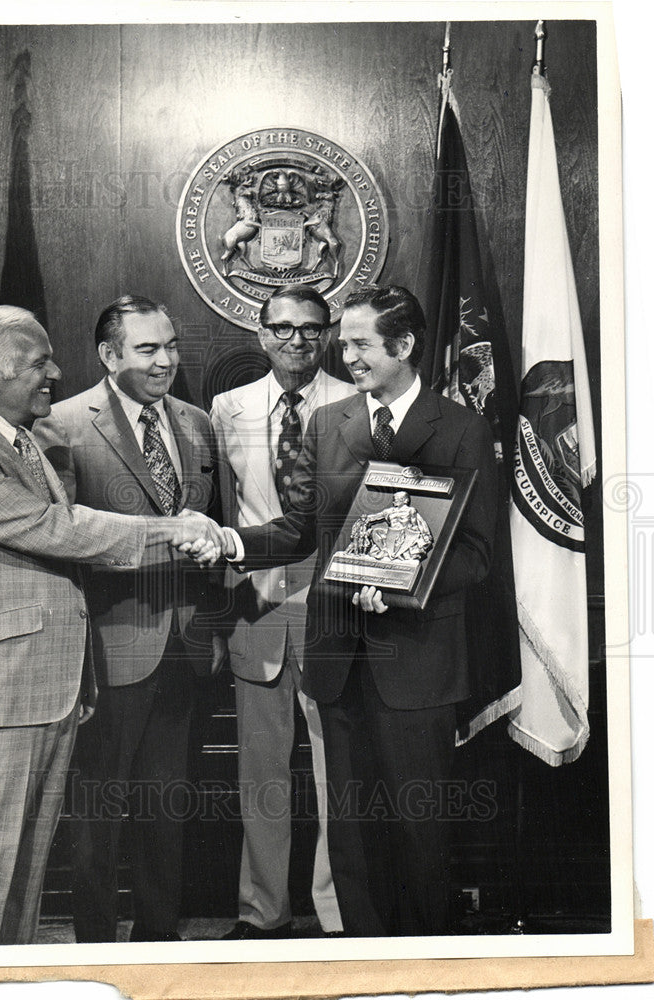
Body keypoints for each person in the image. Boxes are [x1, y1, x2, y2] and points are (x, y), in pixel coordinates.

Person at [0, 305, 220, 947]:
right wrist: (175, 528)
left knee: (21, 879)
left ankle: (4, 987)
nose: (53, 372)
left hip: (44, 689)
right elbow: (56, 528)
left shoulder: (18, 436)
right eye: (36, 363)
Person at [216, 285, 498, 937]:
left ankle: (421, 973)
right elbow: (299, 530)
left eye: (360, 344)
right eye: (343, 343)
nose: (344, 354)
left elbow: (479, 556)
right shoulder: (329, 423)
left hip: (418, 670)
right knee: (352, 845)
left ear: (403, 347)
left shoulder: (460, 429)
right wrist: (232, 541)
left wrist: (402, 583)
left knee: (417, 840)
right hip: (338, 665)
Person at [34, 295, 223, 943]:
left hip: (186, 652)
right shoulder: (60, 425)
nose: (166, 359)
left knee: (165, 809)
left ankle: (158, 943)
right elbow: (60, 540)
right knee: (98, 814)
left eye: (170, 345)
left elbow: (209, 531)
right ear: (109, 356)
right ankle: (95, 948)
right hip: (105, 657)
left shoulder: (197, 424)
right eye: (148, 349)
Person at [209, 285, 352, 939]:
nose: (296, 340)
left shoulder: (356, 405)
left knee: (336, 775)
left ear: (327, 335)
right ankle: (262, 911)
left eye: (310, 329)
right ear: (261, 334)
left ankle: (336, 912)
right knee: (260, 775)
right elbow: (225, 510)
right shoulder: (228, 408)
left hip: (335, 612)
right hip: (257, 609)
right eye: (283, 328)